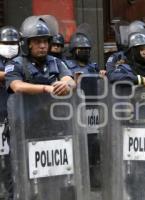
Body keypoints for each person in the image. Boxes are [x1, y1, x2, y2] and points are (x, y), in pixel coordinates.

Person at [5, 16, 75, 96]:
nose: (42, 46)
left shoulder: (56, 62)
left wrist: (66, 85)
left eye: (45, 41)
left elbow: (69, 79)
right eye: (37, 42)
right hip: (25, 108)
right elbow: (17, 86)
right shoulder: (15, 64)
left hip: (52, 107)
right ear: (28, 44)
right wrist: (45, 88)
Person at [0, 25, 20, 200]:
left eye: (13, 42)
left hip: (20, 116)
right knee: (5, 161)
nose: (10, 46)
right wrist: (13, 76)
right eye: (6, 43)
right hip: (1, 117)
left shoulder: (22, 60)